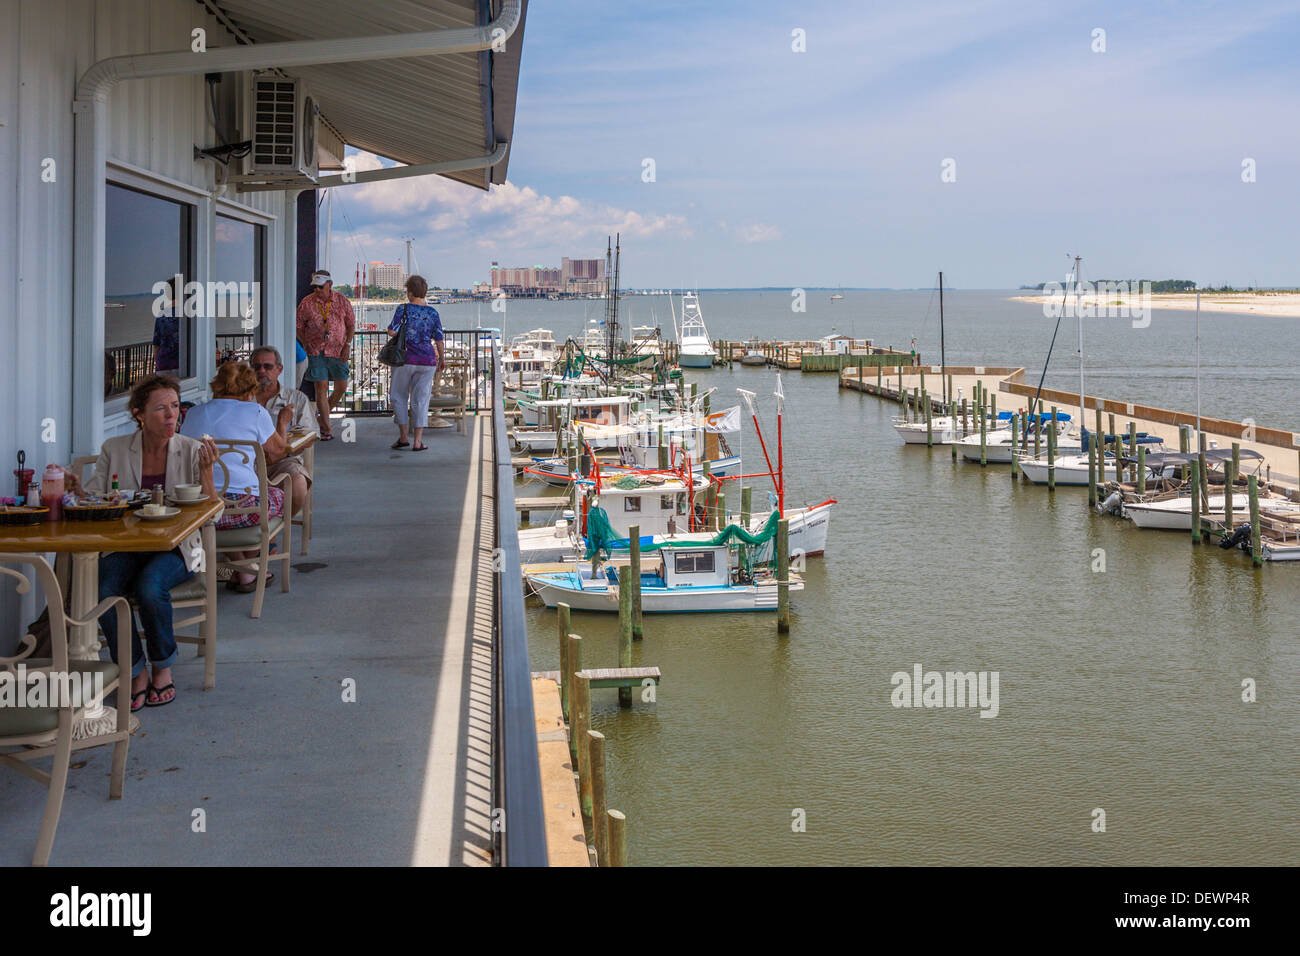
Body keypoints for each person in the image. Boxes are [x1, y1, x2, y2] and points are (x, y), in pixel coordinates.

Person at [66, 375, 219, 711]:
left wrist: (207, 473)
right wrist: (78, 492)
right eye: (161, 408)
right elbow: (96, 498)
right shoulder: (115, 449)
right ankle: (134, 670)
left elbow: (211, 514)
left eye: (175, 407)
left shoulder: (191, 449)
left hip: (175, 546)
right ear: (139, 413)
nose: (171, 416)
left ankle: (162, 666)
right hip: (126, 544)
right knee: (101, 591)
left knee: (151, 587)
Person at [180, 363, 287, 593]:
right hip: (245, 509)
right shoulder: (256, 411)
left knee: (220, 507)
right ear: (250, 389)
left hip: (200, 507)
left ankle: (242, 569)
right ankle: (248, 567)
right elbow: (278, 452)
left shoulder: (194, 413)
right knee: (280, 494)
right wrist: (283, 424)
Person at [386, 274, 445, 451]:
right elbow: (439, 339)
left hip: (404, 359)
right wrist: (442, 358)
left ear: (410, 292)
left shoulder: (402, 309)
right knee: (421, 399)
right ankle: (418, 441)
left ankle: (404, 436)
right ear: (425, 292)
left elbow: (391, 331)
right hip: (427, 360)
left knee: (398, 396)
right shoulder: (432, 312)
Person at [251, 345, 312, 514]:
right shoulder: (243, 400)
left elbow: (308, 438)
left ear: (279, 369)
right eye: (257, 367)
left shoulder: (296, 399)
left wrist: (281, 452)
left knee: (298, 484)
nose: (262, 371)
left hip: (282, 462)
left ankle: (276, 526)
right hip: (247, 461)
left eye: (268, 366)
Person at [295, 269, 355, 441]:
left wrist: (347, 345)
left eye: (320, 287)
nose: (317, 291)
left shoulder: (342, 301)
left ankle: (320, 418)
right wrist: (305, 341)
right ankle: (326, 428)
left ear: (330, 285)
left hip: (337, 349)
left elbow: (350, 324)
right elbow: (299, 326)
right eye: (315, 287)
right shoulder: (307, 303)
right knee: (320, 386)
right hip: (315, 350)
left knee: (341, 387)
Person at [152, 276, 182, 376]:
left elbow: (156, 344)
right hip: (182, 365)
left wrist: (158, 364)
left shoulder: (162, 314)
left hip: (163, 364)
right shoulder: (187, 314)